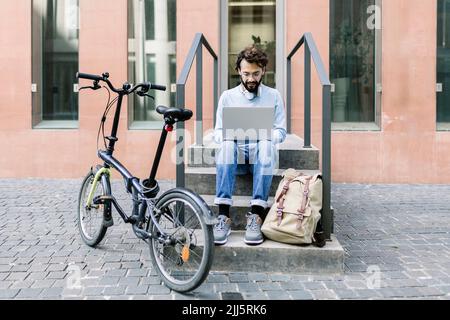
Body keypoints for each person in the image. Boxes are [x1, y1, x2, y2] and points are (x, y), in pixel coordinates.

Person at [213, 45, 287, 246]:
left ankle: (256, 215)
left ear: (263, 70)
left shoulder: (274, 96)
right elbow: (217, 133)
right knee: (227, 144)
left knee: (265, 142)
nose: (251, 79)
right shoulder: (227, 97)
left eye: (255, 73)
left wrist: (263, 134)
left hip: (262, 156)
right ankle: (223, 216)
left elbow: (281, 132)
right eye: (246, 74)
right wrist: (229, 135)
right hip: (235, 155)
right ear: (238, 71)